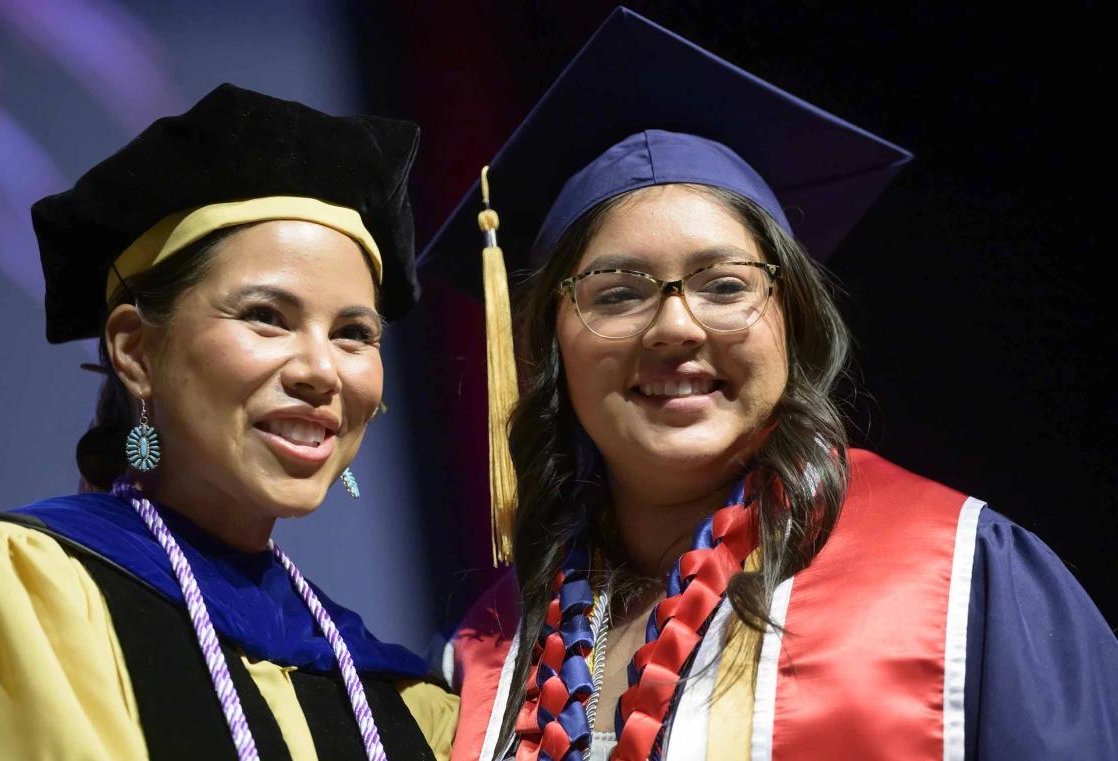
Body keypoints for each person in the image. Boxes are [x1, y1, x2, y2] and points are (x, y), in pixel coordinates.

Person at [419, 8, 1117, 761]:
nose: (675, 327)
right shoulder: (483, 660)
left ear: (791, 318)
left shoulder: (961, 581)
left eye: (724, 284)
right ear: (552, 344)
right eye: (617, 293)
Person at [0, 84, 457, 761]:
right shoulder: (27, 596)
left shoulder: (406, 698)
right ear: (135, 350)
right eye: (267, 316)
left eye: (353, 332)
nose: (321, 370)